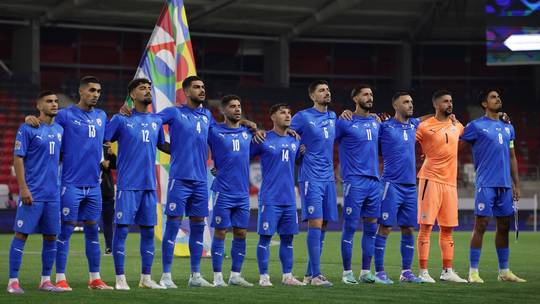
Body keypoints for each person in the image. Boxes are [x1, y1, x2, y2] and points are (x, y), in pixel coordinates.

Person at [26, 76, 112, 290]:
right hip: (70, 184)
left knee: (93, 231)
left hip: (94, 185)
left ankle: (95, 278)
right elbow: (46, 126)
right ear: (81, 92)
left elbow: (109, 139)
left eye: (99, 91)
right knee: (65, 231)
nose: (96, 94)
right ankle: (61, 278)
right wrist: (31, 118)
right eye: (92, 90)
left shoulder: (102, 116)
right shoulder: (65, 115)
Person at [105, 78, 170, 290]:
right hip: (127, 185)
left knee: (149, 232)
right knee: (122, 231)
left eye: (149, 88)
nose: (148, 91)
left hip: (149, 185)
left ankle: (145, 278)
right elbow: (102, 138)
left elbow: (163, 145)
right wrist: (105, 154)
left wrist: (188, 145)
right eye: (142, 88)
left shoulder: (156, 121)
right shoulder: (121, 119)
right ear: (132, 95)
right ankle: (120, 279)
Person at [461, 89, 525, 283]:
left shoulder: (508, 127)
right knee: (480, 225)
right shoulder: (475, 126)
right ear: (484, 103)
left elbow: (512, 156)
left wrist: (516, 183)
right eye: (493, 97)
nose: (498, 99)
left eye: (499, 96)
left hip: (505, 185)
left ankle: (504, 271)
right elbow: (458, 145)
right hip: (485, 183)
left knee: (504, 226)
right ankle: (473, 271)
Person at [7, 91, 64, 294]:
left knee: (51, 237)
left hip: (52, 195)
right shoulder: (27, 128)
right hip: (32, 192)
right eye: (49, 101)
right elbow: (18, 158)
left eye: (56, 101)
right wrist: (23, 187)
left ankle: (45, 281)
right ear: (39, 106)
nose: (54, 104)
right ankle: (13, 281)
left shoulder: (59, 129)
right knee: (21, 234)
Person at [373, 92, 424, 284]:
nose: (410, 104)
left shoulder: (414, 125)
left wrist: (447, 116)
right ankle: (379, 272)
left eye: (411, 101)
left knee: (408, 229)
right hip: (391, 185)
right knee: (385, 227)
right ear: (396, 105)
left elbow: (430, 119)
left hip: (410, 186)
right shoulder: (384, 127)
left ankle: (406, 272)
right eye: (406, 102)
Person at [415, 90, 467, 283]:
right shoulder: (424, 126)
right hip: (430, 179)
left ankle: (447, 271)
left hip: (450, 183)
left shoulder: (457, 125)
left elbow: (467, 136)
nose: (449, 104)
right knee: (426, 226)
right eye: (445, 101)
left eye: (451, 100)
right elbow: (404, 134)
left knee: (448, 228)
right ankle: (423, 272)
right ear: (436, 104)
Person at [251, 103, 304, 287]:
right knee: (265, 237)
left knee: (288, 238)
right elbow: (243, 157)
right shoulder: (263, 139)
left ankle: (287, 276)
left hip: (289, 199)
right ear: (273, 116)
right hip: (270, 198)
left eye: (289, 112)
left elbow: (299, 159)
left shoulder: (295, 140)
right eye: (283, 112)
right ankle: (264, 277)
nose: (288, 115)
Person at [290, 80, 337, 287]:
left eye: (327, 90)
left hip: (328, 177)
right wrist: (297, 150)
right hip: (310, 176)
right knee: (315, 222)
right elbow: (286, 134)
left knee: (325, 223)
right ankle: (317, 275)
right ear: (312, 96)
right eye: (321, 90)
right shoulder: (302, 116)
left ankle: (309, 274)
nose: (326, 93)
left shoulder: (333, 116)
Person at [336, 85, 384, 284]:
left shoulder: (376, 122)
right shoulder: (344, 122)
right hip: (354, 181)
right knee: (350, 227)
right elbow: (325, 139)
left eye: (372, 94)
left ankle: (365, 272)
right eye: (365, 94)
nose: (370, 97)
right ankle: (347, 273)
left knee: (371, 229)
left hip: (374, 181)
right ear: (355, 98)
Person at [208, 95, 254, 287]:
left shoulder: (248, 132)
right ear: (223, 111)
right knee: (220, 232)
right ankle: (217, 277)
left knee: (241, 233)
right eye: (233, 106)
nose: (237, 109)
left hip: (242, 193)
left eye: (239, 106)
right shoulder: (214, 131)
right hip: (223, 191)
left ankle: (235, 275)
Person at [100, 144, 116, 256]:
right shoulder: (85, 143)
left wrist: (112, 155)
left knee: (108, 221)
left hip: (106, 190)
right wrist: (101, 164)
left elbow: (114, 166)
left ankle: (109, 247)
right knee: (88, 221)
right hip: (89, 188)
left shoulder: (106, 147)